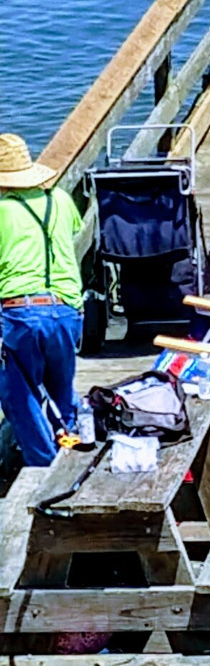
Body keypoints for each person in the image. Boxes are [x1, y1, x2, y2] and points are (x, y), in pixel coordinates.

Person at [0, 133, 84, 466]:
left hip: (19, 313)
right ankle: (69, 450)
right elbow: (74, 230)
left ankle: (43, 468)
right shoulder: (60, 199)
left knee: (19, 396)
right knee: (61, 390)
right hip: (66, 308)